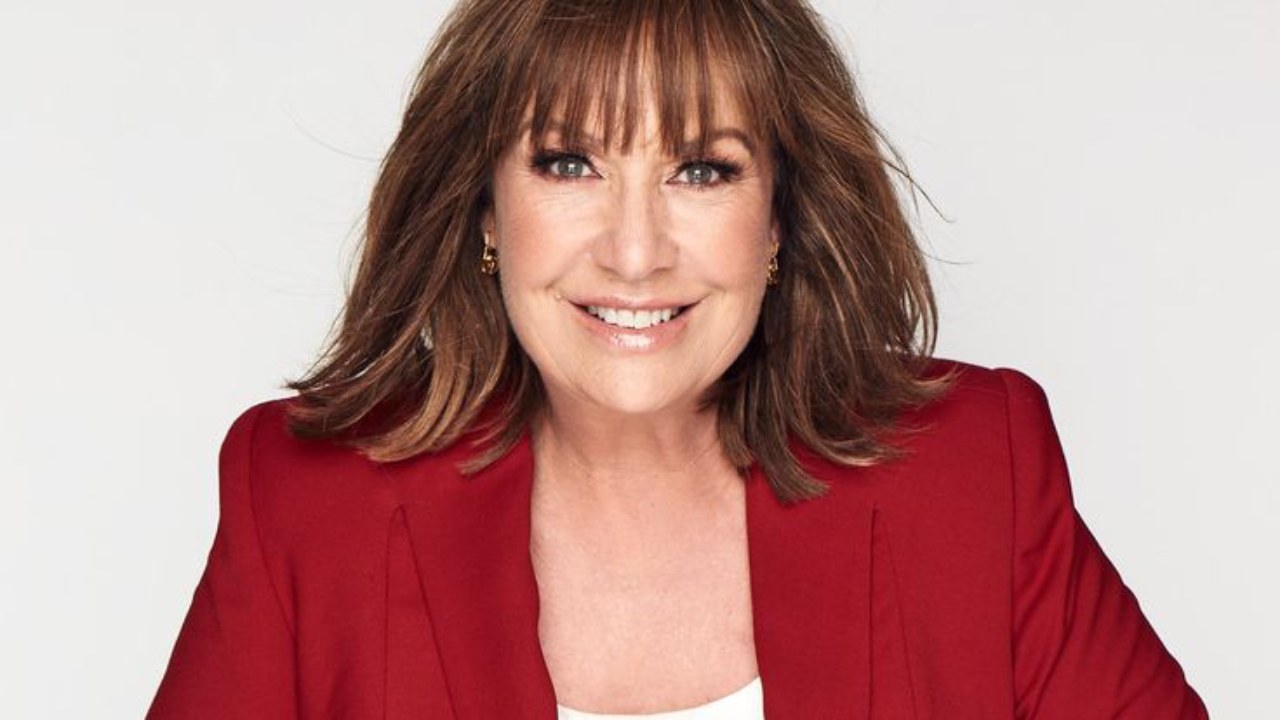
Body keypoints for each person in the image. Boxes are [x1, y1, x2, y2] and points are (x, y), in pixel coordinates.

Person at [147, 0, 1209, 717]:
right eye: (568, 162)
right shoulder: (303, 503)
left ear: (779, 217)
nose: (634, 251)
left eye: (702, 170)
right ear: (485, 208)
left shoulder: (975, 473)